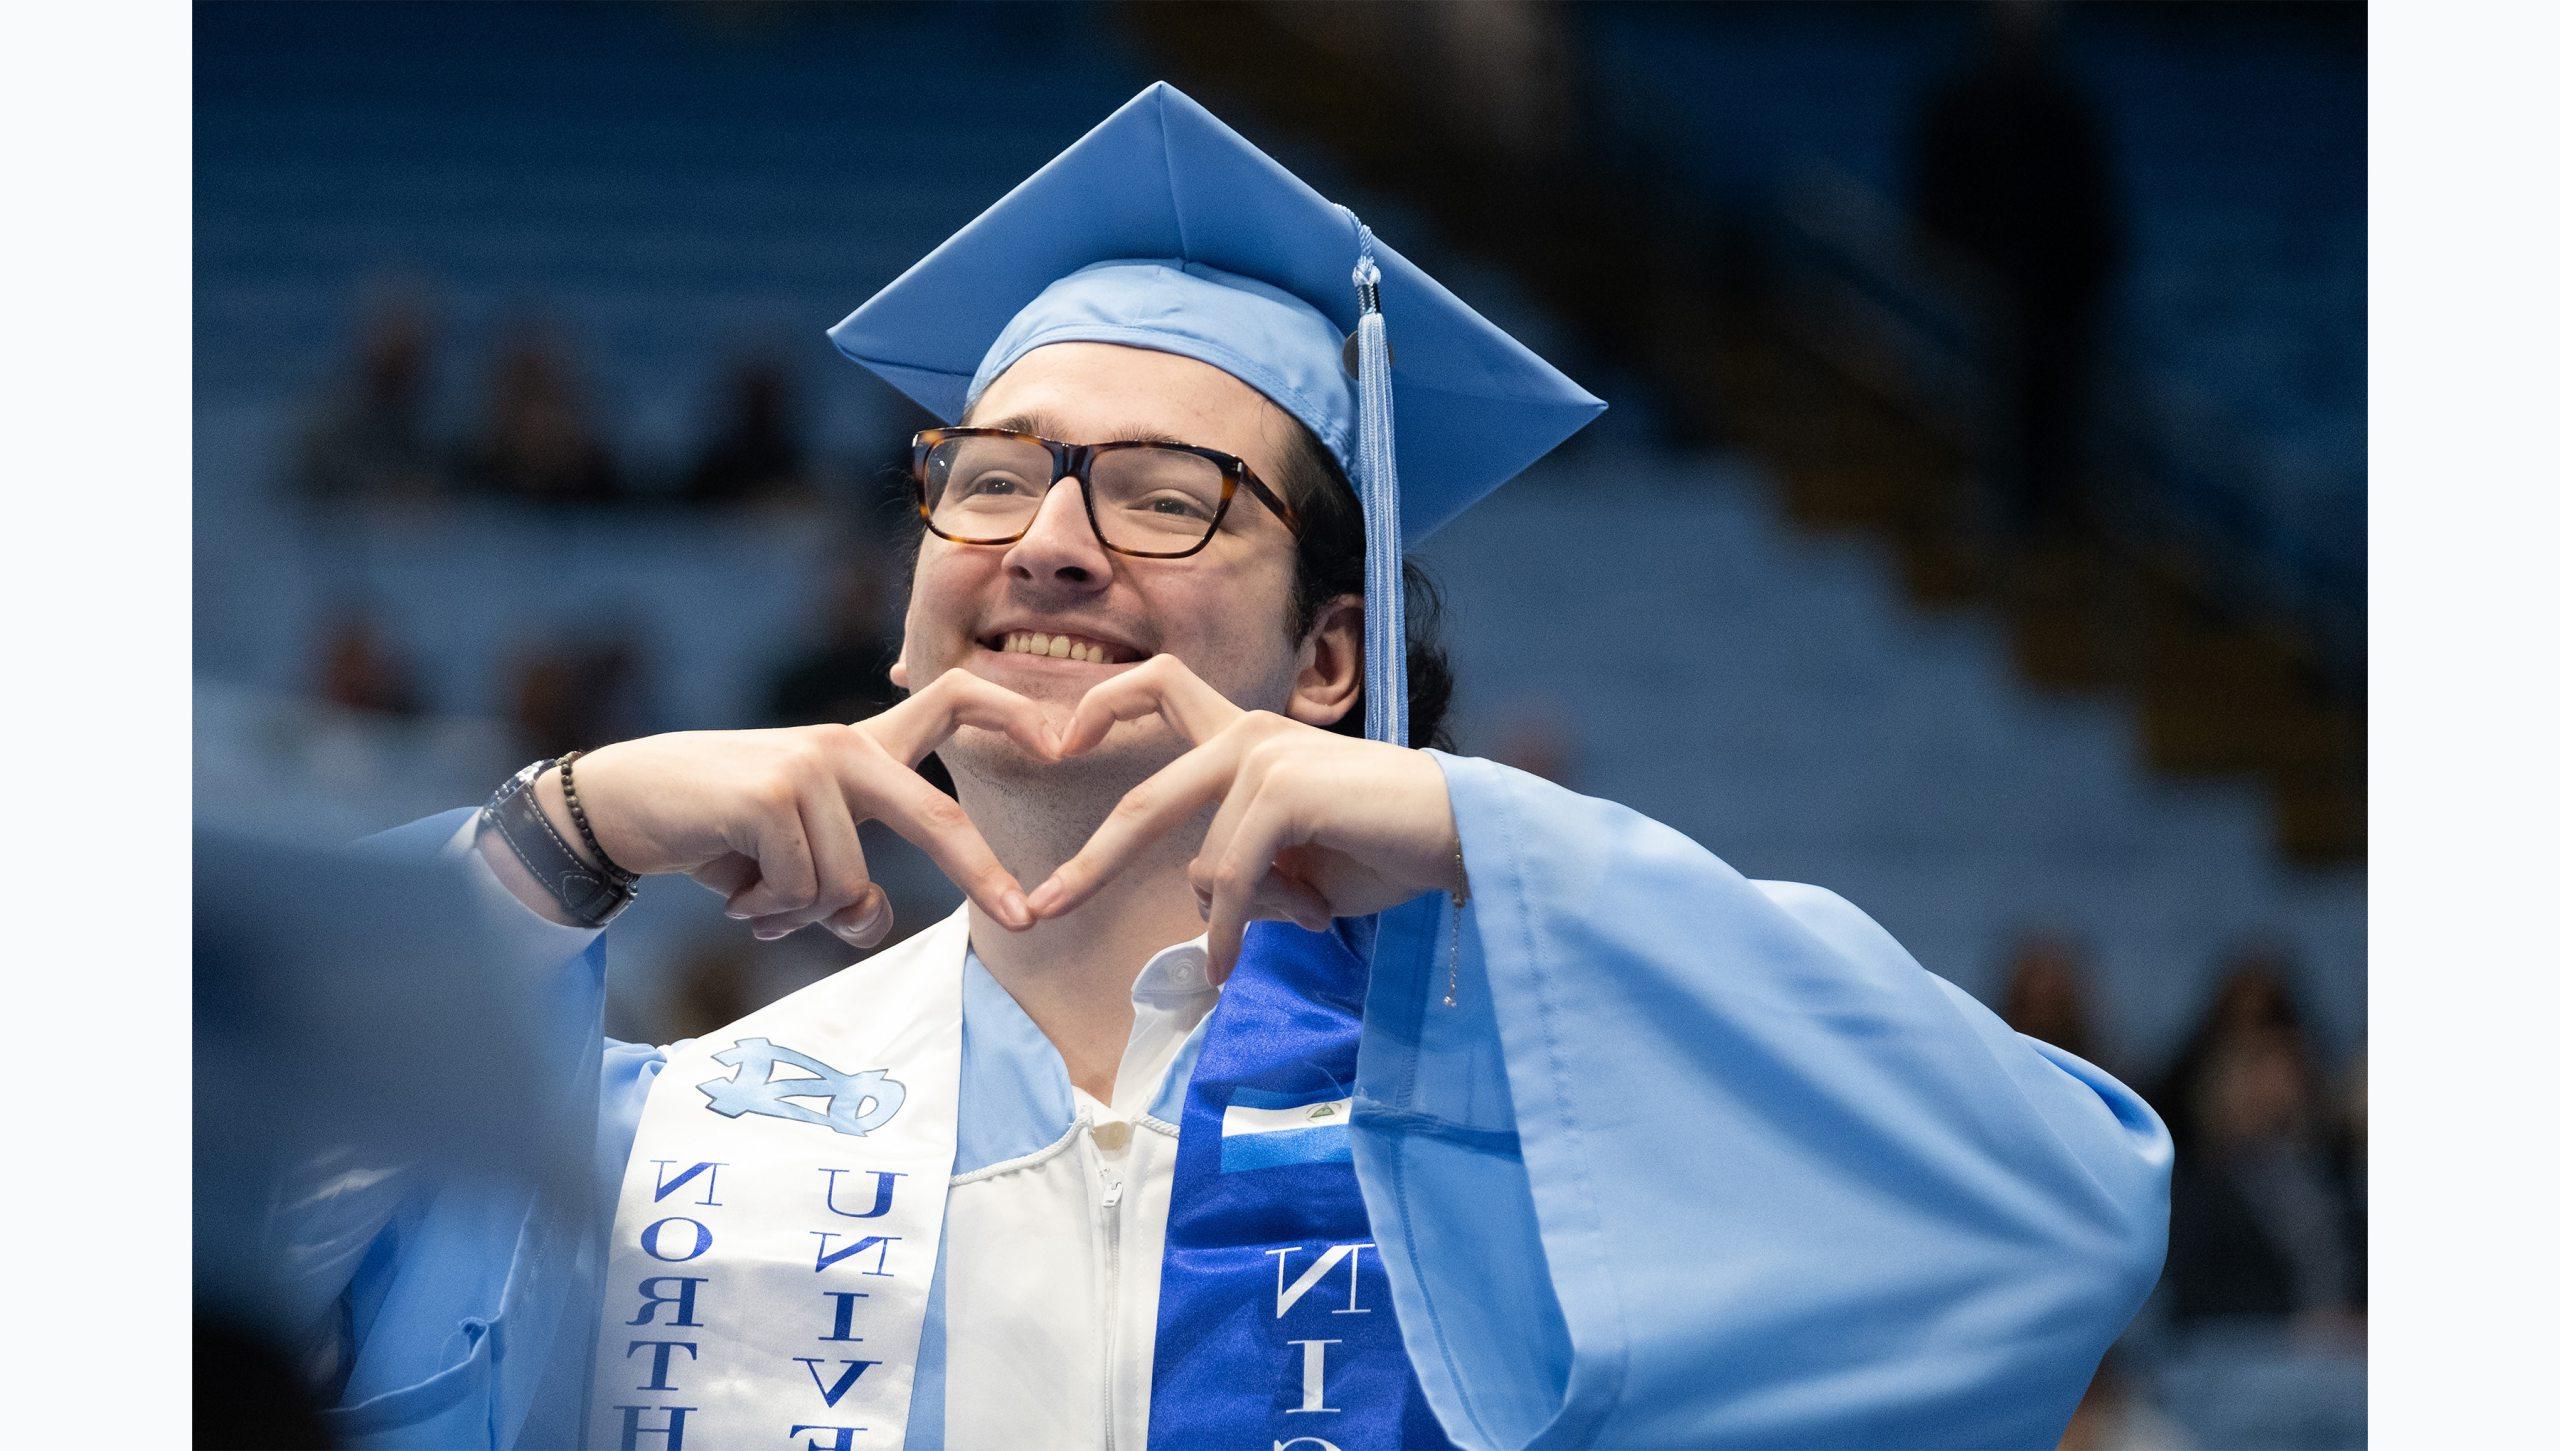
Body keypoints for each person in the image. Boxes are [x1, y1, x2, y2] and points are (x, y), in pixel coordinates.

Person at [281, 84, 2170, 1450]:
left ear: (1329, 662)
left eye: (1169, 500)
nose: (1050, 541)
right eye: (996, 477)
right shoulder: (662, 1141)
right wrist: (557, 837)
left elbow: (2058, 1212)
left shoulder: (1532, 1156)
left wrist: (1473, 838)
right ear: (915, 599)